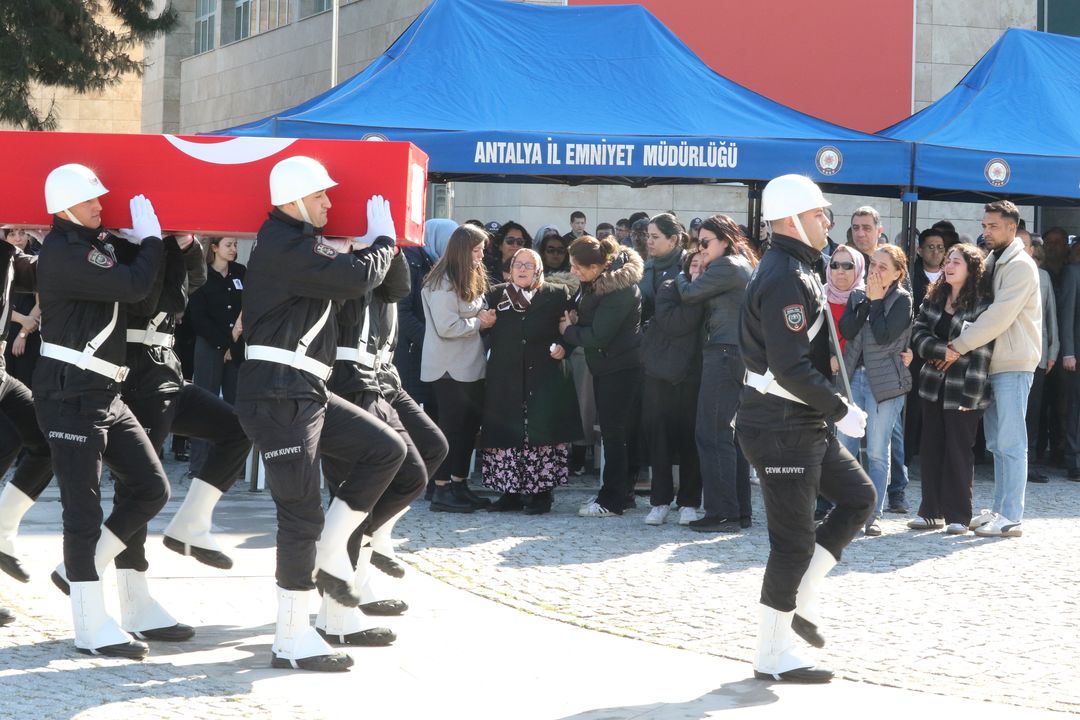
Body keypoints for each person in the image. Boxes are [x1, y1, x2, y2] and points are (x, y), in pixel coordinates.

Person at [235, 156, 408, 671]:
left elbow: (369, 280)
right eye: (321, 196)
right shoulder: (284, 244)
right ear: (293, 200)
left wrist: (371, 246)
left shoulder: (299, 243)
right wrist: (383, 242)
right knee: (299, 513)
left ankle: (332, 552)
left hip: (303, 388)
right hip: (277, 393)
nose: (330, 203)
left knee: (385, 450)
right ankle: (290, 636)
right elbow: (355, 279)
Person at [737, 174, 874, 684]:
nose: (827, 222)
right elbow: (790, 367)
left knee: (859, 497)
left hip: (800, 420)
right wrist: (841, 409)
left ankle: (801, 598)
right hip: (780, 425)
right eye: (819, 214)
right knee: (792, 542)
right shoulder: (784, 278)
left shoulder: (799, 267)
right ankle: (772, 654)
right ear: (792, 220)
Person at [34, 164, 169, 659]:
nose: (101, 205)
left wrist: (157, 246)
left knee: (152, 487)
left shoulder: (94, 245)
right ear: (66, 207)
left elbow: (144, 292)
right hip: (70, 398)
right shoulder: (61, 252)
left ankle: (76, 571)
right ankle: (91, 627)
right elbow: (132, 288)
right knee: (82, 513)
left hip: (105, 395)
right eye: (91, 201)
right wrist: (150, 242)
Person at [321, 239, 448, 643]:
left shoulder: (382, 254)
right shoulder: (343, 259)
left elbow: (396, 289)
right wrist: (368, 247)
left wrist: (386, 244)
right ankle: (336, 608)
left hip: (382, 378)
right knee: (354, 489)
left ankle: (354, 551)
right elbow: (358, 285)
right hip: (347, 381)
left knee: (429, 452)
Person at [114, 231, 252, 576]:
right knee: (138, 487)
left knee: (236, 429)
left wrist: (186, 245)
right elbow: (154, 298)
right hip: (136, 373)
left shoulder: (165, 247)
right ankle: (120, 586)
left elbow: (196, 280)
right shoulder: (122, 245)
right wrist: (156, 245)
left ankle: (191, 523)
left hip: (165, 370)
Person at [947, 201, 1041, 538]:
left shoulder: (1020, 266)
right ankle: (1002, 509)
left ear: (1012, 228)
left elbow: (999, 315)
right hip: (992, 363)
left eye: (993, 226)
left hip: (1013, 363)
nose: (985, 231)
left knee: (1012, 442)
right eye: (985, 225)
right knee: (999, 443)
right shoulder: (994, 259)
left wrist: (958, 344)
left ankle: (1011, 515)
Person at [479, 248, 581, 514]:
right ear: (510, 269)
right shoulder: (496, 294)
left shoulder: (557, 294)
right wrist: (484, 325)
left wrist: (563, 347)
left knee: (541, 434)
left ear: (538, 270)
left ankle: (541, 495)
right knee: (508, 431)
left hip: (544, 376)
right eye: (517, 264)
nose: (522, 269)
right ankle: (508, 493)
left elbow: (568, 331)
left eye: (528, 265)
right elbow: (483, 330)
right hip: (506, 377)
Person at [676, 215, 756, 532]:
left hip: (724, 354)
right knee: (729, 438)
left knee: (712, 434)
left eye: (706, 242)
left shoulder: (727, 266)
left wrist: (677, 277)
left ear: (724, 240)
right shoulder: (740, 264)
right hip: (735, 354)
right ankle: (738, 512)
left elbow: (689, 293)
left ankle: (722, 513)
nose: (701, 249)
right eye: (698, 242)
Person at [909, 244, 993, 533]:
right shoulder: (934, 297)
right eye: (948, 261)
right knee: (931, 447)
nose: (949, 265)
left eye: (957, 261)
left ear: (972, 269)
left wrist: (954, 355)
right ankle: (930, 511)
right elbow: (917, 334)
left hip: (966, 386)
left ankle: (958, 515)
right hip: (932, 384)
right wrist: (943, 350)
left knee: (958, 451)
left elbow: (981, 350)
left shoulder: (983, 304)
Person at [560, 235, 644, 517]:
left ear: (597, 266)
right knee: (618, 432)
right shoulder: (594, 280)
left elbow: (598, 335)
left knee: (615, 433)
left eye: (578, 267)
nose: (573, 271)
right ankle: (624, 492)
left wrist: (568, 331)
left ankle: (612, 499)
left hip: (620, 368)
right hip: (607, 365)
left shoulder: (620, 289)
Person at [837, 245, 913, 536]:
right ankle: (849, 509)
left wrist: (878, 301)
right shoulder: (858, 295)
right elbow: (848, 329)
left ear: (897, 273)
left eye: (883, 267)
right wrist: (868, 301)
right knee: (846, 447)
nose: (875, 271)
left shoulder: (902, 300)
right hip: (854, 378)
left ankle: (873, 514)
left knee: (879, 451)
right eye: (873, 264)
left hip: (885, 384)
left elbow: (883, 336)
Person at [421, 223, 495, 512]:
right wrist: (481, 322)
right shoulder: (442, 281)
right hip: (448, 368)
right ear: (463, 251)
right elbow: (447, 325)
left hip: (470, 365)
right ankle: (440, 489)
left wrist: (481, 316)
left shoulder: (467, 275)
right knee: (450, 430)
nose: (481, 256)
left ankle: (458, 483)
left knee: (467, 430)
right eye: (477, 251)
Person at [0, 230, 52, 586]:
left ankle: (2, 532)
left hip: (0, 376)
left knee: (45, 440)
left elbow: (46, 272)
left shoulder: (9, 255)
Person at [640, 249, 704, 526]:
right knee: (660, 441)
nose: (698, 269)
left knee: (693, 441)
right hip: (663, 374)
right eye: (695, 264)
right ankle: (660, 501)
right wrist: (698, 298)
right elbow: (676, 323)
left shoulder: (713, 291)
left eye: (705, 266)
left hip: (696, 374)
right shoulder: (670, 286)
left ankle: (689, 502)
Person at [186, 236, 244, 477]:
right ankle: (199, 464)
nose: (234, 249)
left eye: (235, 245)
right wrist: (225, 342)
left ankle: (234, 464)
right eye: (229, 245)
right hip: (210, 346)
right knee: (204, 403)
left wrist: (234, 343)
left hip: (237, 347)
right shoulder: (202, 274)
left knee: (235, 404)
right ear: (214, 248)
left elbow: (247, 306)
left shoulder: (241, 272)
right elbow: (198, 317)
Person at [395, 218, 454, 416]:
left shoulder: (433, 263)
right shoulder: (412, 262)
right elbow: (401, 314)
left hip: (424, 354)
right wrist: (432, 342)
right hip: (410, 354)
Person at [1021, 231, 1058, 483]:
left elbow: (1050, 315)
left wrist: (1053, 351)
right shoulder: (997, 270)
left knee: (1032, 413)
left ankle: (1029, 462)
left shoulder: (1042, 275)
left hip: (1037, 354)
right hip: (1007, 355)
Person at [640, 213, 685, 325]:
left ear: (672, 239)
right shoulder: (646, 267)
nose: (649, 241)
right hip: (647, 338)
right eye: (648, 236)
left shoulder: (689, 266)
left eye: (655, 237)